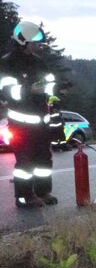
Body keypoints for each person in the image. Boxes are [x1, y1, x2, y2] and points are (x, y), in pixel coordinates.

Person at [0, 21, 58, 208]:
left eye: (38, 43)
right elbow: (7, 91)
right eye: (33, 42)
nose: (37, 46)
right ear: (22, 40)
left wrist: (56, 91)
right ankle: (24, 197)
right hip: (21, 124)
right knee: (25, 162)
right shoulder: (8, 63)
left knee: (43, 160)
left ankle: (43, 192)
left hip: (41, 121)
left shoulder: (39, 62)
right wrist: (29, 90)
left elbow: (50, 84)